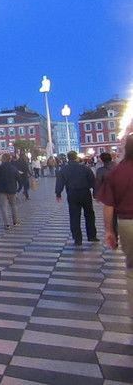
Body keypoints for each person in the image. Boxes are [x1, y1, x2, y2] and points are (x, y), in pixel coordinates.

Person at [99, 134, 133, 315]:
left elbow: (109, 206)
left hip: (127, 224)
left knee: (132, 271)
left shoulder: (117, 172)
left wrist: (109, 231)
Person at [56, 150, 97, 245]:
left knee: (74, 216)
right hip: (85, 193)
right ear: (76, 158)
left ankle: (77, 239)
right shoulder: (85, 168)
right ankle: (91, 236)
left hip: (72, 194)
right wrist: (95, 192)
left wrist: (58, 193)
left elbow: (60, 182)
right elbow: (92, 181)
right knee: (89, 214)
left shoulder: (64, 169)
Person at [0, 154, 21, 229]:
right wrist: (18, 189)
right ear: (9, 159)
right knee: (13, 205)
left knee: (3, 207)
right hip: (12, 189)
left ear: (2, 159)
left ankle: (6, 224)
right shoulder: (13, 168)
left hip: (1, 190)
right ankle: (15, 222)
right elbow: (19, 179)